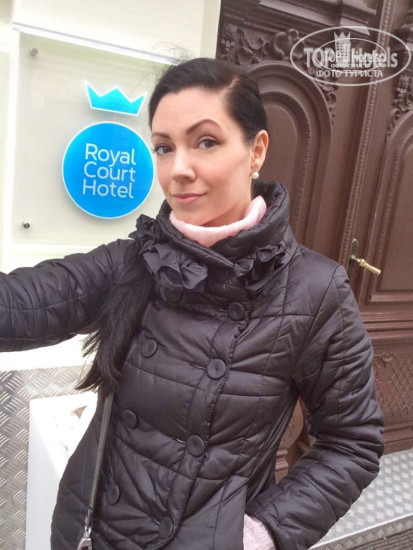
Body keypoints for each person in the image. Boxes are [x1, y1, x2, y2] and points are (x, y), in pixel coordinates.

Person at [0, 58, 384, 550]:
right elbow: (24, 303)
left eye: (205, 142)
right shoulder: (138, 259)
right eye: (164, 147)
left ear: (256, 150)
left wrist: (259, 535)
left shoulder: (314, 289)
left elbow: (352, 442)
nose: (178, 169)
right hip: (91, 533)